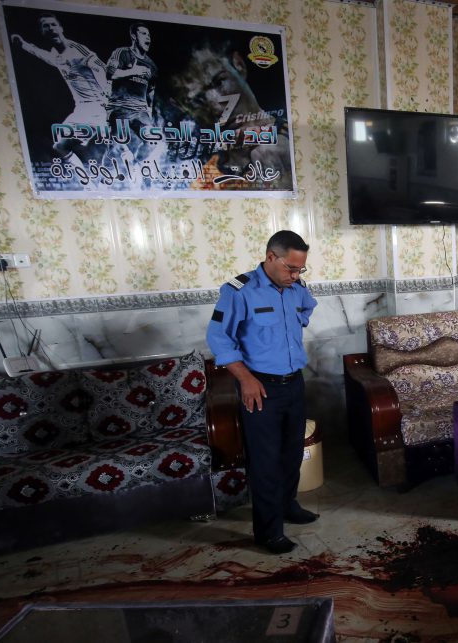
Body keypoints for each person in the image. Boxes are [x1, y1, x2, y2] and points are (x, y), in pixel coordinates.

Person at [206, 230, 318, 554]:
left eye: (301, 270)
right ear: (271, 257)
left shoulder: (296, 289)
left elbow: (305, 312)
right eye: (291, 269)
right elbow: (218, 339)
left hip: (294, 382)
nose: (296, 276)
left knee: (292, 453)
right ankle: (268, 532)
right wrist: (245, 378)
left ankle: (287, 505)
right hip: (260, 388)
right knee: (265, 462)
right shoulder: (239, 292)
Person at [166, 40, 293, 190]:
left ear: (239, 65)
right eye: (196, 100)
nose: (216, 107)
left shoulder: (298, 141)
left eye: (219, 82)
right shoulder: (203, 188)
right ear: (183, 108)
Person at [10, 13, 108, 164]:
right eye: (46, 26)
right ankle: (88, 184)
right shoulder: (56, 55)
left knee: (102, 149)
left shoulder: (77, 50)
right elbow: (44, 55)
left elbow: (101, 68)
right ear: (42, 31)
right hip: (82, 109)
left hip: (99, 107)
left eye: (53, 24)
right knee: (60, 146)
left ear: (61, 28)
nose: (50, 28)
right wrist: (23, 44)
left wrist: (107, 93)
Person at [105, 22, 157, 163]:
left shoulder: (151, 65)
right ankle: (105, 175)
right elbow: (109, 73)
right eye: (144, 34)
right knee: (117, 145)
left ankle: (136, 165)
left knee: (153, 142)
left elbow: (151, 90)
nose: (148, 38)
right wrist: (133, 71)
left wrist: (149, 111)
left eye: (149, 35)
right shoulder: (122, 53)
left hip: (140, 111)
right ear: (134, 36)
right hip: (119, 108)